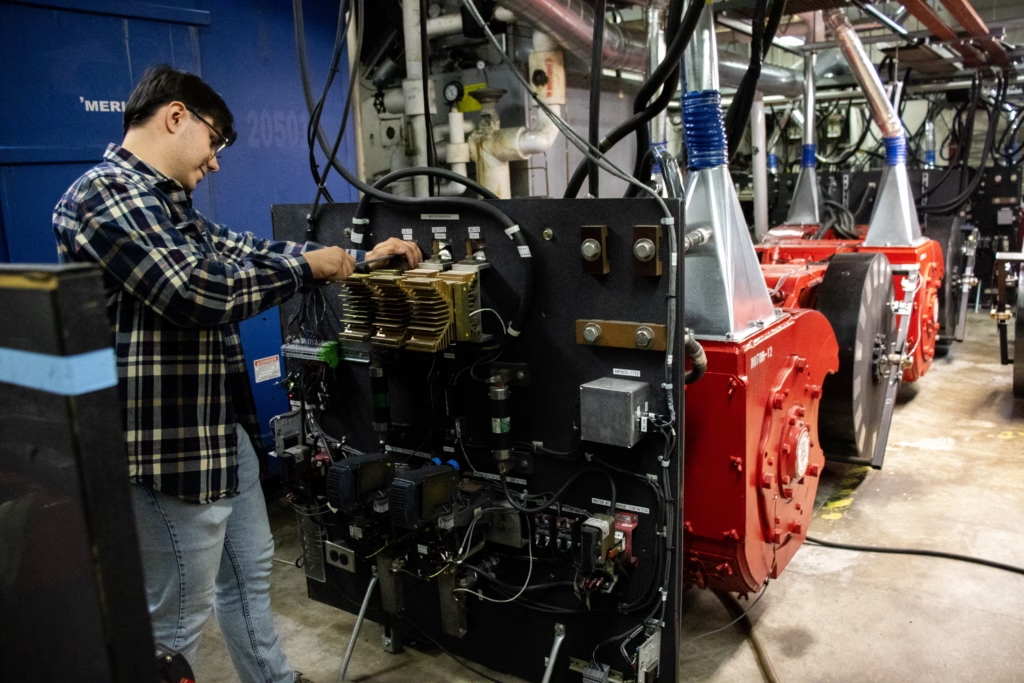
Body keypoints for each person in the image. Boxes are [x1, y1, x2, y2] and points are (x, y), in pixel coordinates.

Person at [53, 64, 422, 683]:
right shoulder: (104, 195)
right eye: (215, 139)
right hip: (164, 451)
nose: (216, 161)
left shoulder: (168, 205)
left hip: (218, 436)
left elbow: (246, 251)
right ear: (177, 116)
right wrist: (309, 269)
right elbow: (195, 291)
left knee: (249, 578)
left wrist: (355, 259)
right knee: (174, 623)